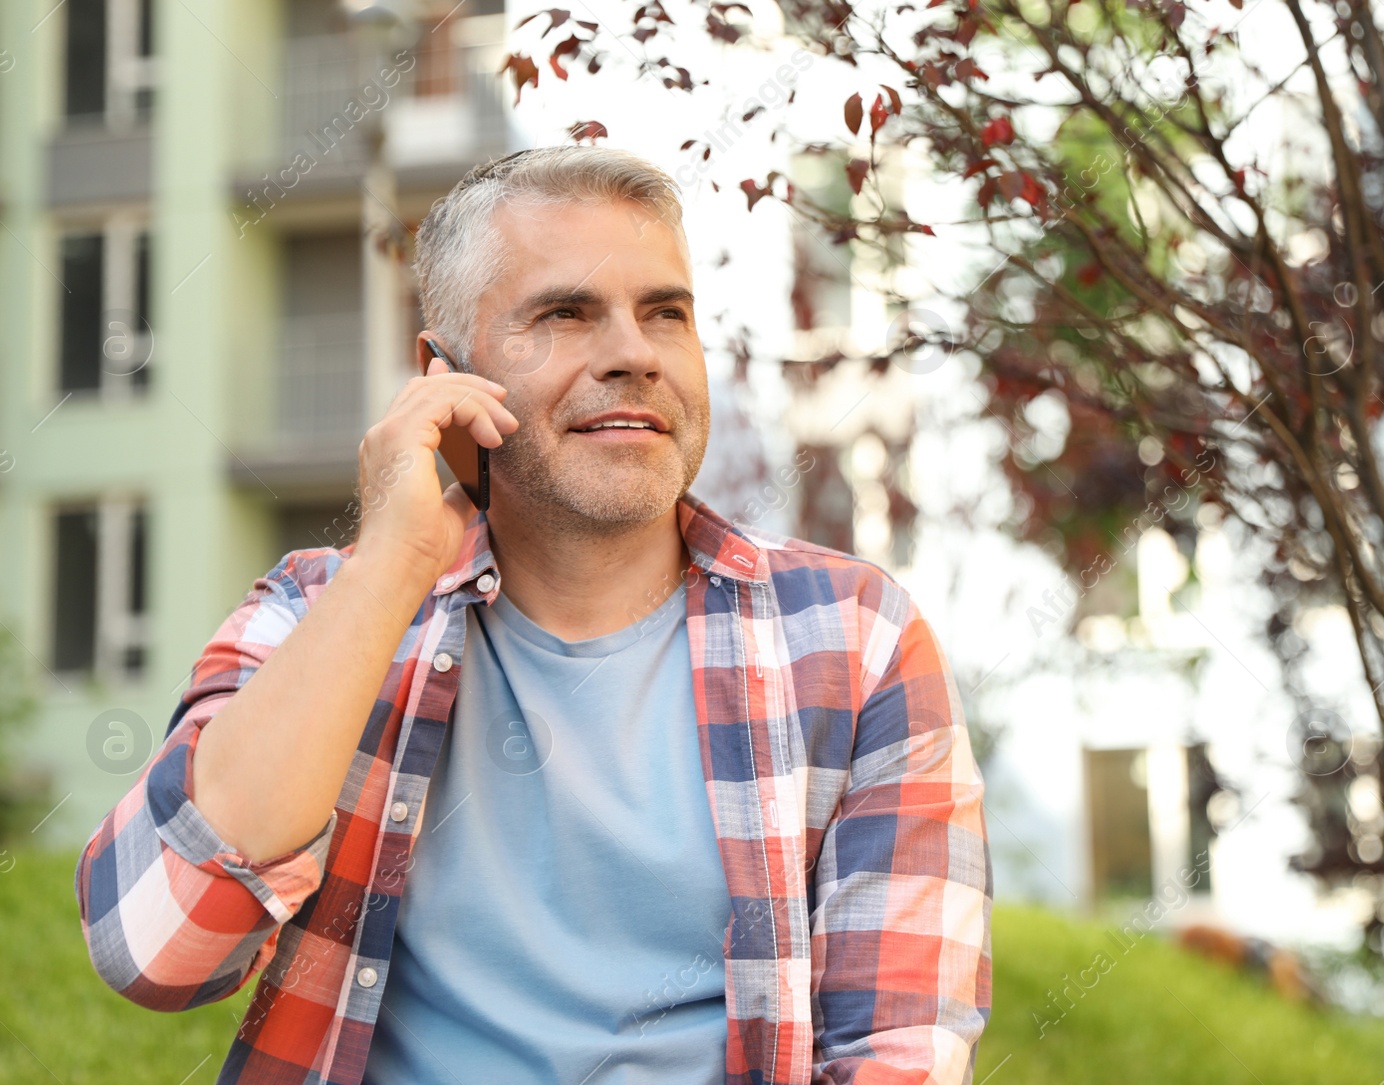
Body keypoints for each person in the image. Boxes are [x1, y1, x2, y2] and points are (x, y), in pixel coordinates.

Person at [73, 144, 992, 1085]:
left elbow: (899, 1050)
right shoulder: (318, 610)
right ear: (443, 376)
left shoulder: (857, 638)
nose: (634, 354)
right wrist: (393, 566)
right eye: (565, 313)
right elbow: (158, 950)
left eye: (665, 314)